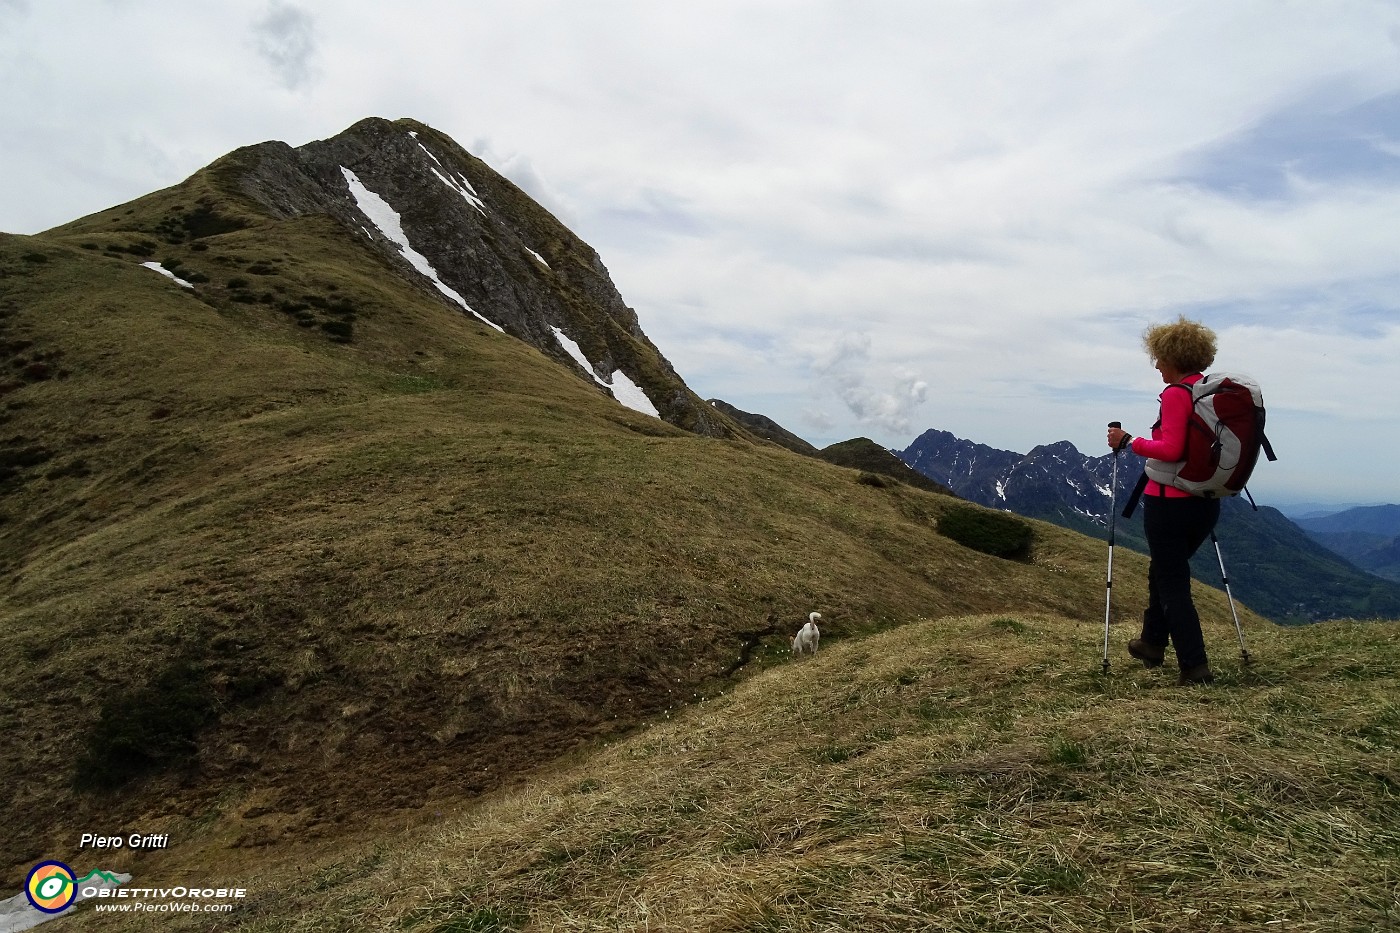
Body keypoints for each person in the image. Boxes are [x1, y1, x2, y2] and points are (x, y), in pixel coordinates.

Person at [1106, 316, 1220, 686]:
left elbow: (1170, 449)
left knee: (1172, 581)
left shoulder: (1176, 394)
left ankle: (1195, 664)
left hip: (1169, 504)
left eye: (1159, 357)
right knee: (1163, 571)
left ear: (1173, 356)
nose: (1156, 365)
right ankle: (1152, 643)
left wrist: (1128, 442)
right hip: (1205, 502)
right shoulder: (1208, 393)